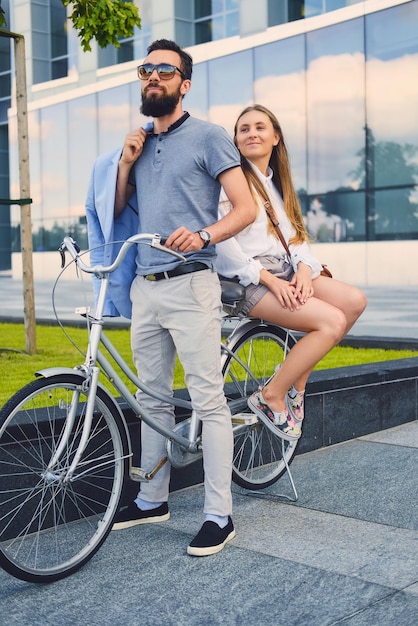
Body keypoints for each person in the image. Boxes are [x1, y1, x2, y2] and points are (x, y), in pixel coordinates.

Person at [86, 40, 256, 557]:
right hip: (146, 286)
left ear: (184, 83)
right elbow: (116, 211)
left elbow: (245, 208)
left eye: (165, 70)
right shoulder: (133, 145)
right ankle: (151, 498)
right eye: (146, 70)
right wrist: (125, 164)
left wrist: (203, 235)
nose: (153, 77)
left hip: (191, 281)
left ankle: (218, 515)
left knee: (207, 399)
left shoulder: (207, 137)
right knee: (151, 398)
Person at [216, 104, 367, 440]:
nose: (252, 133)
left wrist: (302, 269)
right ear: (236, 140)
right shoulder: (231, 180)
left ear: (275, 136)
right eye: (244, 129)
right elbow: (224, 246)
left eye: (260, 127)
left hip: (284, 270)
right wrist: (268, 279)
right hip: (249, 280)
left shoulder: (276, 183)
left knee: (354, 302)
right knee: (331, 322)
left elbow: (295, 238)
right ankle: (270, 395)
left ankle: (297, 382)